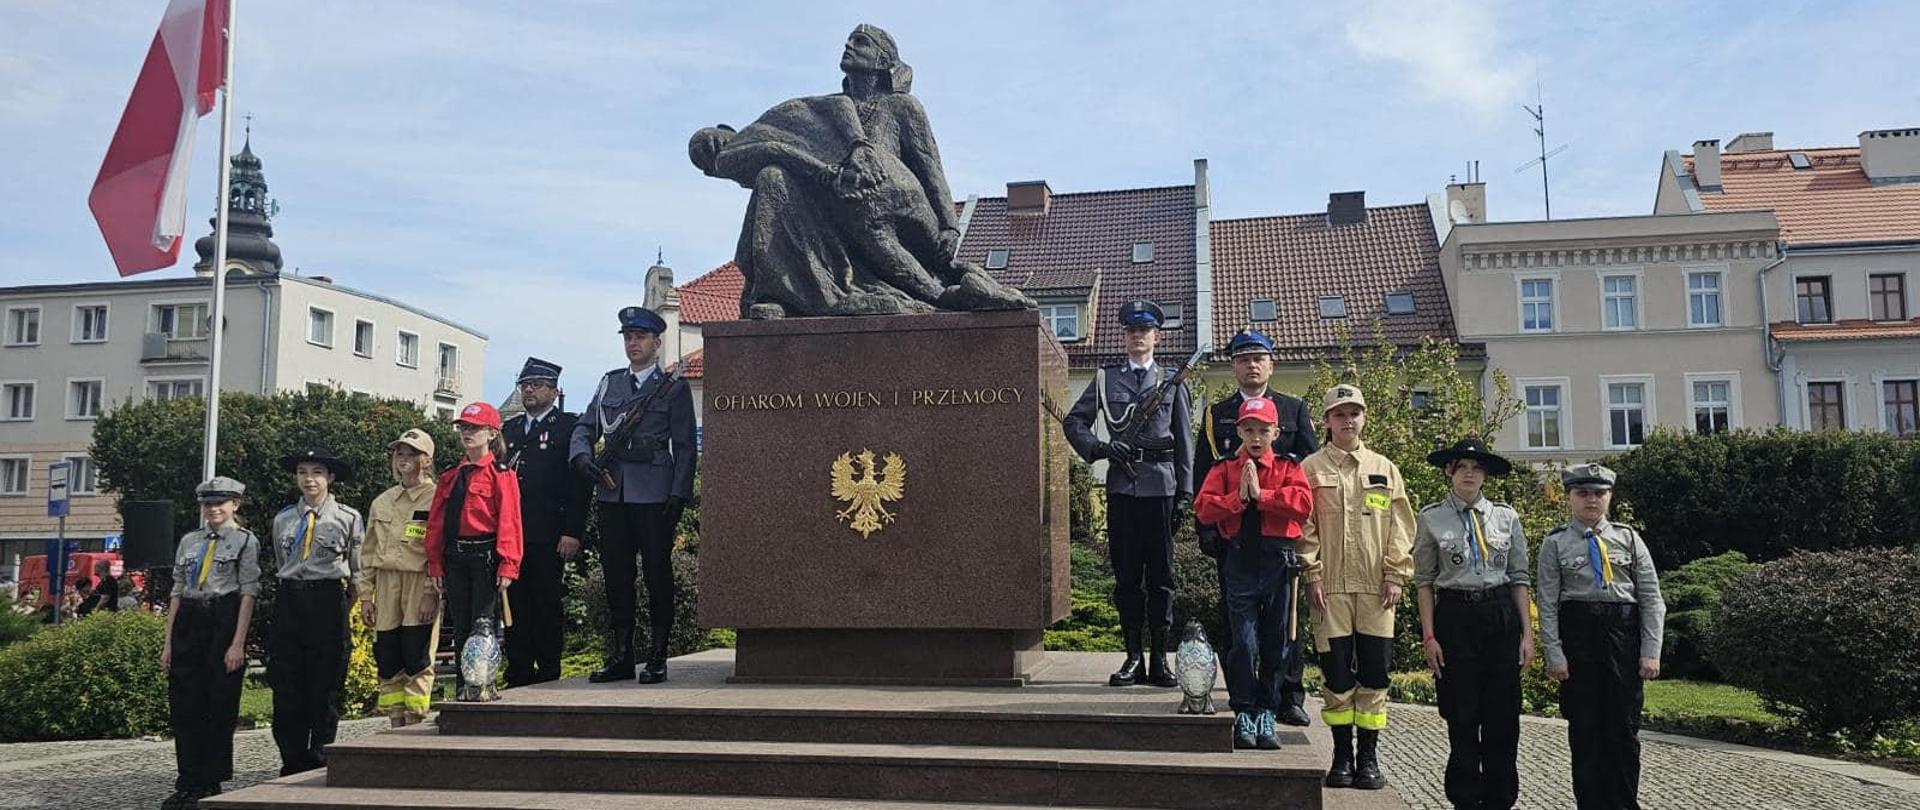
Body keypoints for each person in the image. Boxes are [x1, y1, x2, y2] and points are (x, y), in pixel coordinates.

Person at [1061, 299, 1194, 688]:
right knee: (1127, 578)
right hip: (1121, 488)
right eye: (1132, 331)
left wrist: (1185, 493)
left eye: (1145, 330)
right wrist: (1101, 448)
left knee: (1162, 579)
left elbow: (1185, 441)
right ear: (1124, 337)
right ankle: (1133, 656)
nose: (1138, 337)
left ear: (1156, 336)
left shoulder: (1172, 381)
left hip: (1161, 489)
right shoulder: (1106, 379)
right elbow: (1075, 422)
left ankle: (1159, 659)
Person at [1194, 328, 1319, 726]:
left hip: (1279, 539)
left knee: (1284, 628)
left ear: (1271, 364)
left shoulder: (1293, 408)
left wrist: (1267, 496)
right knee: (1240, 632)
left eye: (1259, 357)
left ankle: (1288, 696)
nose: (1252, 364)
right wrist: (1208, 532)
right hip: (1235, 540)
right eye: (1243, 357)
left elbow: (1310, 469)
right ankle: (1243, 702)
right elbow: (1204, 475)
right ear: (1233, 365)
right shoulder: (1218, 414)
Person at [570, 306, 697, 685]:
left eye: (640, 337)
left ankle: (658, 655)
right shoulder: (610, 384)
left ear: (657, 343)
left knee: (658, 575)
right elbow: (584, 426)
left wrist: (679, 493)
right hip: (613, 491)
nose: (633, 343)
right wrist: (581, 457)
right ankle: (622, 655)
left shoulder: (673, 387)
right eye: (628, 337)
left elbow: (685, 446)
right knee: (617, 577)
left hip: (655, 492)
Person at [1299, 384, 1414, 790]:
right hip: (1327, 591)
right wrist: (1311, 574)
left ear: (1364, 418)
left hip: (1377, 591)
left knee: (1376, 674)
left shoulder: (1384, 468)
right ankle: (1341, 758)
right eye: (1339, 414)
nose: (1348, 421)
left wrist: (1395, 574)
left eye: (1354, 413)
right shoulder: (1310, 469)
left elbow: (1401, 526)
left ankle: (1369, 760)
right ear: (1327, 421)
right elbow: (1304, 526)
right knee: (1336, 676)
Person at [1538, 462, 1666, 810]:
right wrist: (1555, 654)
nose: (1591, 500)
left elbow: (1652, 598)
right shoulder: (1555, 543)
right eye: (1582, 493)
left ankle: (1624, 804)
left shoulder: (1628, 538)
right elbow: (1547, 603)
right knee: (1585, 731)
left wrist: (1650, 650)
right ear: (1569, 498)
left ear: (1609, 497)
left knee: (1623, 731)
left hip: (1622, 637)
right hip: (1579, 639)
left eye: (1599, 493)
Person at [1414, 438, 1532, 810]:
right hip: (1455, 617)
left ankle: (1500, 799)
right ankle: (1464, 799)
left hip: (1499, 617)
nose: (1469, 473)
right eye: (1462, 466)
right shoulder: (1432, 518)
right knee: (1461, 715)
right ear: (1450, 471)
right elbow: (1424, 582)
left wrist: (1527, 634)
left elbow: (1518, 578)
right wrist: (1429, 635)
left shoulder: (1505, 517)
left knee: (1503, 717)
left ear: (1485, 475)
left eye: (1477, 468)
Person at [161, 477, 260, 810]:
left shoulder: (245, 541)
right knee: (185, 705)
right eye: (207, 503)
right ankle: (187, 779)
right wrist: (168, 643)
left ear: (235, 505)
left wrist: (238, 643)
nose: (213, 509)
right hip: (189, 619)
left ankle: (211, 778)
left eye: (220, 503)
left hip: (223, 619)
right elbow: (176, 590)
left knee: (219, 703)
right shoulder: (190, 541)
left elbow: (248, 592)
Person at [267, 448, 363, 776]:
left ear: (330, 477)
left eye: (317, 472)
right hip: (290, 599)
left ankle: (320, 756)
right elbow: (283, 563)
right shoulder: (283, 519)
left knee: (325, 684)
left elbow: (356, 571)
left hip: (328, 599)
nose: (309, 479)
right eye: (303, 472)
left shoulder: (348, 518)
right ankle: (292, 759)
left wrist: (343, 606)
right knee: (287, 684)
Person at [426, 402, 524, 702]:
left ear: (492, 433)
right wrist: (435, 563)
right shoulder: (451, 475)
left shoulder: (500, 474)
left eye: (474, 428)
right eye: (464, 428)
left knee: (483, 624)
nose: (467, 433)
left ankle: (483, 684)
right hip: (455, 556)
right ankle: (463, 686)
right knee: (461, 625)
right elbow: (437, 522)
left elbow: (510, 520)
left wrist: (508, 564)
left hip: (485, 557)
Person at [502, 357, 590, 687]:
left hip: (549, 532)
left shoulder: (568, 427)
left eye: (536, 385)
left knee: (546, 602)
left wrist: (573, 531)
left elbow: (578, 486)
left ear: (554, 391)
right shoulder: (509, 430)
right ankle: (518, 670)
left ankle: (549, 670)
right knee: (515, 604)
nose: (529, 391)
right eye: (524, 385)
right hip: (512, 535)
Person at [359, 429, 442, 726]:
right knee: (388, 653)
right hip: (385, 583)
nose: (403, 459)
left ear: (427, 460)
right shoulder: (382, 501)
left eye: (412, 454)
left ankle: (416, 720)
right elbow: (367, 552)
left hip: (418, 582)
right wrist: (366, 596)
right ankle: (394, 720)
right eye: (399, 453)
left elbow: (438, 549)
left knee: (417, 653)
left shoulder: (436, 497)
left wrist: (432, 592)